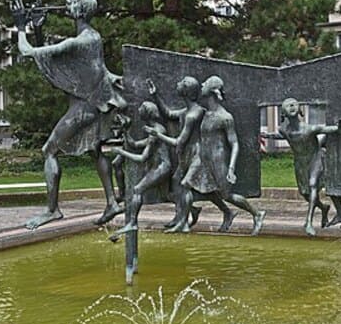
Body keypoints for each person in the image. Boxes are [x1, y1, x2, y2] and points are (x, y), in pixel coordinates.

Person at [12, 0, 127, 229]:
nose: (67, 2)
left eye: (73, 0)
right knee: (95, 151)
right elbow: (50, 59)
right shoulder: (93, 38)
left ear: (81, 9)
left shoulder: (81, 41)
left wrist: (21, 26)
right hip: (93, 104)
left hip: (85, 107)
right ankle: (111, 203)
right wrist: (38, 30)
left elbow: (29, 52)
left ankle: (52, 210)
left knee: (49, 151)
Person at [147, 76, 234, 233]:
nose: (178, 84)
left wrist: (157, 134)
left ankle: (183, 222)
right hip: (186, 155)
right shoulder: (188, 110)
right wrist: (155, 95)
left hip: (197, 156)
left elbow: (178, 142)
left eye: (182, 83)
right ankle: (184, 214)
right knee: (185, 184)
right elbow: (168, 113)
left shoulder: (192, 115)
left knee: (185, 185)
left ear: (186, 92)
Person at [193, 75, 266, 235]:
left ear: (212, 90)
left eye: (205, 83)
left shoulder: (224, 117)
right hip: (204, 159)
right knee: (205, 190)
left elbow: (234, 143)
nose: (202, 84)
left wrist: (231, 168)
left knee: (227, 194)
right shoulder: (205, 113)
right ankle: (227, 213)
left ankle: (257, 213)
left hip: (219, 160)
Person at [262, 98, 341, 236]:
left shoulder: (309, 128)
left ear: (300, 109)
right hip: (300, 163)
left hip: (315, 158)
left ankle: (308, 222)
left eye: (294, 104)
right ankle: (324, 208)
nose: (292, 106)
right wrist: (267, 135)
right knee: (305, 193)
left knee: (312, 185)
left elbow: (325, 129)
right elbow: (282, 136)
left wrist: (339, 127)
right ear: (283, 113)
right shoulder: (284, 130)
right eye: (288, 105)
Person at [108, 101, 173, 240]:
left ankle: (132, 223)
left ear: (147, 112)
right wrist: (125, 131)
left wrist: (121, 152)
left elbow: (142, 158)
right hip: (160, 167)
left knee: (138, 190)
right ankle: (192, 209)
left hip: (161, 167)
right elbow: (136, 144)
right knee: (166, 196)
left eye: (141, 109)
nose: (139, 111)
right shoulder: (154, 129)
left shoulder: (157, 131)